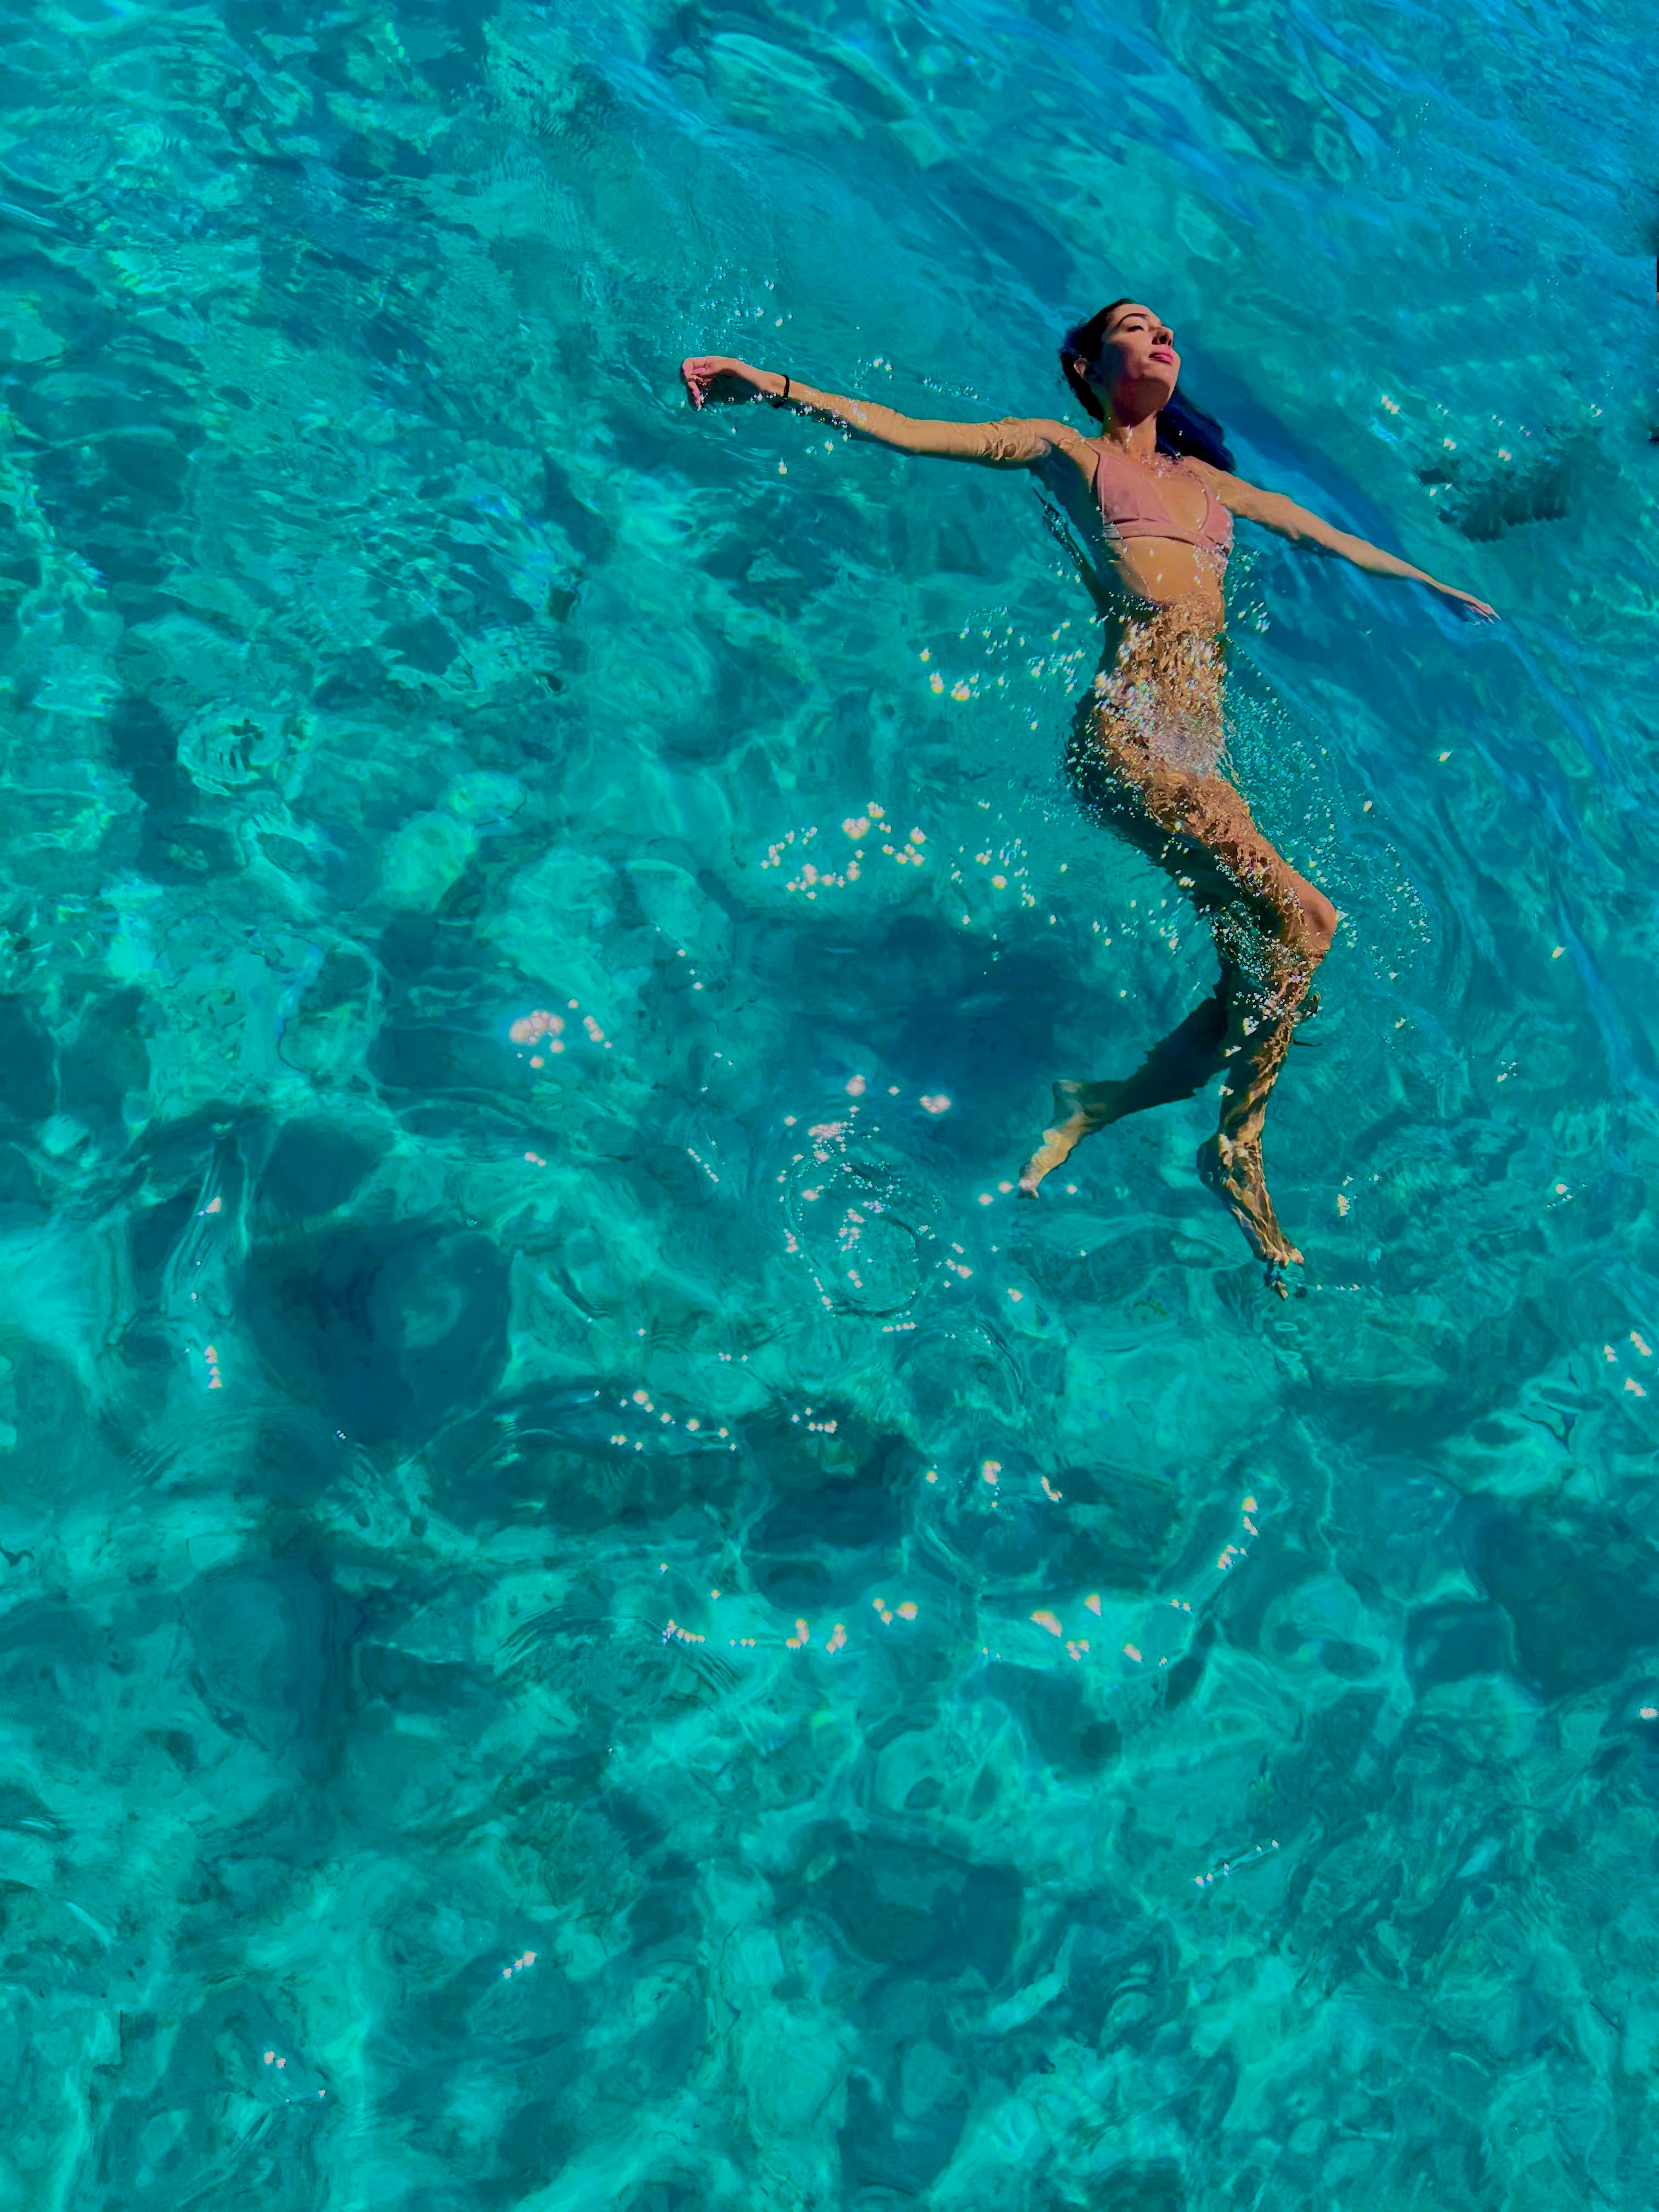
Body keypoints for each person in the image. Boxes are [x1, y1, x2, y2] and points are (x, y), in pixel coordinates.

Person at [681, 302, 1495, 1290]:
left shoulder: (1212, 489)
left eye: (1166, 331)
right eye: (1136, 327)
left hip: (1200, 762)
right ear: (1086, 364)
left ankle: (1099, 1107)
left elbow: (1331, 538)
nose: (1161, 339)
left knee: (1265, 971)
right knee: (1310, 923)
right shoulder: (1069, 452)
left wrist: (1433, 585)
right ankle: (1237, 1152)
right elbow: (905, 428)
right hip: (1132, 738)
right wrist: (769, 385)